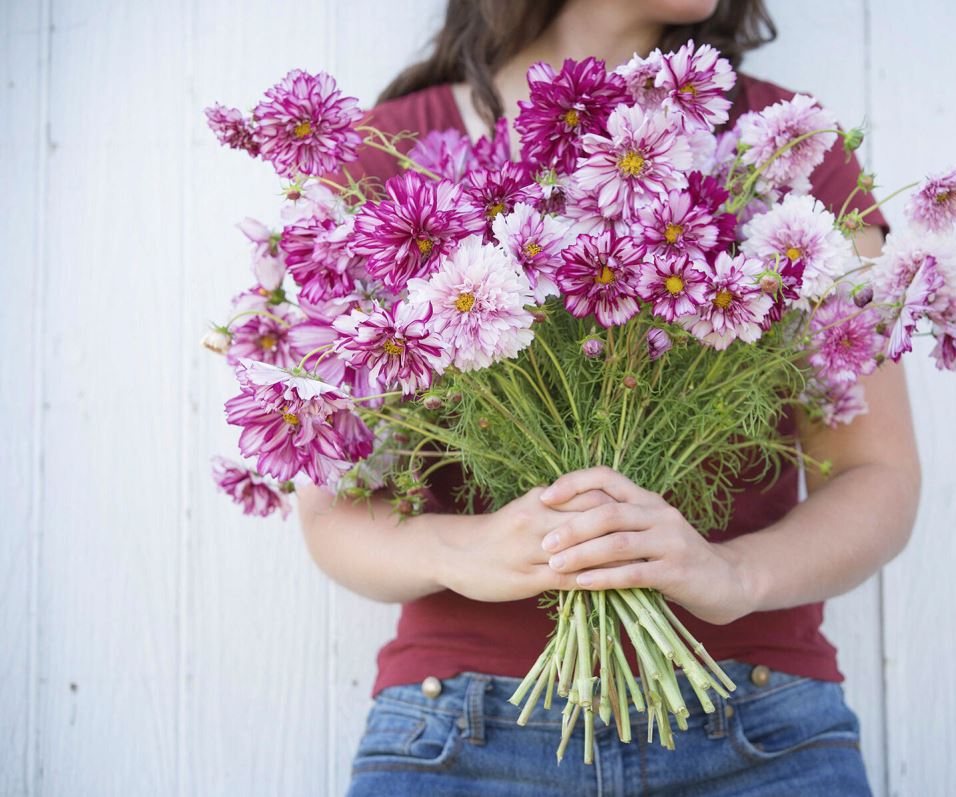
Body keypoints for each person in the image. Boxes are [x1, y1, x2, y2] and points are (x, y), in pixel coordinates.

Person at [299, 1, 920, 794]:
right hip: (466, 727)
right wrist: (465, 548)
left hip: (757, 725)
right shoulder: (387, 161)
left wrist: (731, 573)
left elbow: (878, 474)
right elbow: (329, 510)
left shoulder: (787, 153)